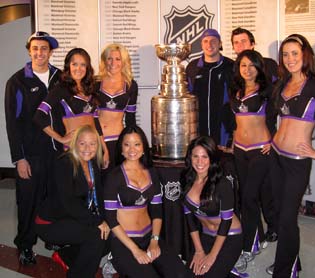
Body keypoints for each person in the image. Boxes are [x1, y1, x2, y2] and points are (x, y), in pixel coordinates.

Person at [266, 34, 315, 277]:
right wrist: (271, 139)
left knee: (288, 219)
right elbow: (277, 117)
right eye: (285, 54)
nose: (290, 59)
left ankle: (284, 272)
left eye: (294, 54)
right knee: (280, 215)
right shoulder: (283, 83)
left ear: (305, 55)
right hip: (276, 157)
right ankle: (291, 262)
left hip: (297, 163)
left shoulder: (314, 85)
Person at [104, 125, 191, 278]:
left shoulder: (151, 173)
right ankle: (114, 260)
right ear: (121, 149)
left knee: (180, 274)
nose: (132, 149)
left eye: (137, 144)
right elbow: (111, 219)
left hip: (149, 237)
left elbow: (157, 211)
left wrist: (154, 241)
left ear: (144, 147)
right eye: (127, 144)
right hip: (124, 241)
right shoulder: (114, 177)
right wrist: (135, 250)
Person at [4, 31, 61, 264]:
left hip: (58, 153)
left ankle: (52, 237)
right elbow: (12, 123)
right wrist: (20, 158)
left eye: (44, 48)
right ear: (29, 50)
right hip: (31, 154)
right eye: (35, 48)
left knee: (55, 198)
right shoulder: (17, 81)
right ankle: (25, 244)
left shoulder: (60, 77)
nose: (40, 53)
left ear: (50, 51)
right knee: (28, 201)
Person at [35, 125, 109, 277]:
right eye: (82, 143)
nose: (87, 148)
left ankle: (66, 256)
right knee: (96, 234)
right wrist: (97, 222)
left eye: (92, 143)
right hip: (50, 223)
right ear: (75, 143)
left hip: (72, 217)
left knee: (110, 235)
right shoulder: (65, 163)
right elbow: (68, 202)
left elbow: (99, 196)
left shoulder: (92, 163)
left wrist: (106, 220)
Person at [231, 27, 278, 242]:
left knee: (253, 195)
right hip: (240, 151)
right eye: (243, 65)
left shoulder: (267, 91)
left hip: (261, 150)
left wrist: (275, 140)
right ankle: (257, 234)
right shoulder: (236, 91)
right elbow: (237, 121)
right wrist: (232, 143)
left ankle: (256, 238)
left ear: (259, 67)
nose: (247, 69)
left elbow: (284, 116)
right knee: (249, 195)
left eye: (251, 65)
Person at [34, 47, 109, 168]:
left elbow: (95, 121)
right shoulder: (61, 89)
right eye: (74, 64)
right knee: (75, 185)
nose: (78, 69)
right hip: (72, 151)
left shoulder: (91, 89)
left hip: (92, 150)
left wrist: (104, 150)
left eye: (83, 65)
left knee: (92, 185)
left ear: (87, 67)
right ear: (68, 66)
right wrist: (60, 138)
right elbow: (39, 116)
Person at [182, 136, 243, 277]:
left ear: (212, 159)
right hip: (206, 236)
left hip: (229, 237)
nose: (199, 162)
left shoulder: (222, 184)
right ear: (190, 157)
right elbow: (189, 219)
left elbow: (226, 222)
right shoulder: (186, 179)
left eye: (205, 157)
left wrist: (212, 256)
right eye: (195, 156)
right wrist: (199, 250)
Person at [186, 29, 235, 149]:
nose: (209, 45)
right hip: (198, 127)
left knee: (223, 163)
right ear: (201, 44)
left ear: (220, 44)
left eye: (214, 41)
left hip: (223, 129)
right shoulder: (192, 67)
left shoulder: (231, 66)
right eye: (205, 41)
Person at [96, 43, 138, 172]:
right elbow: (92, 117)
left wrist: (134, 143)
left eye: (118, 59)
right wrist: (102, 146)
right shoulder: (95, 83)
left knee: (115, 182)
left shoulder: (131, 85)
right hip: (97, 140)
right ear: (104, 60)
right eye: (109, 58)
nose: (113, 62)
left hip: (118, 141)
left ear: (124, 62)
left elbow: (130, 118)